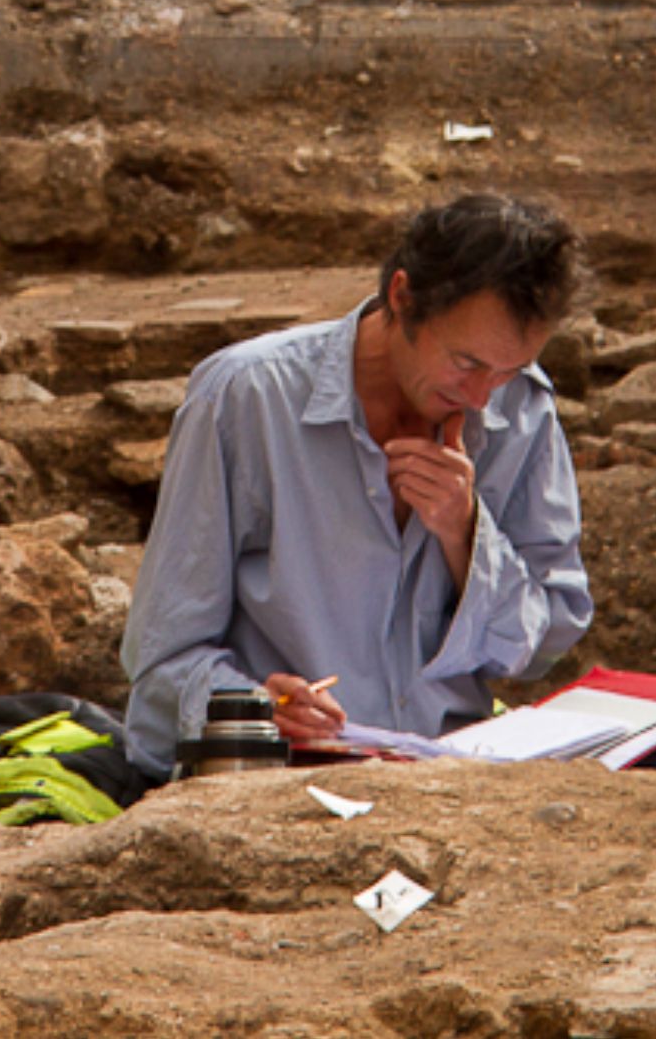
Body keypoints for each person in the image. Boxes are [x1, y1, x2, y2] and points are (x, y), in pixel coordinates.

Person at [121, 193, 593, 781]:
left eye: (509, 370)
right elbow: (165, 657)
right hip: (288, 783)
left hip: (453, 779)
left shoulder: (523, 408)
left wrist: (466, 533)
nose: (481, 399)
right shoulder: (245, 399)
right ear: (403, 298)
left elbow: (548, 641)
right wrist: (254, 710)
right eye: (466, 363)